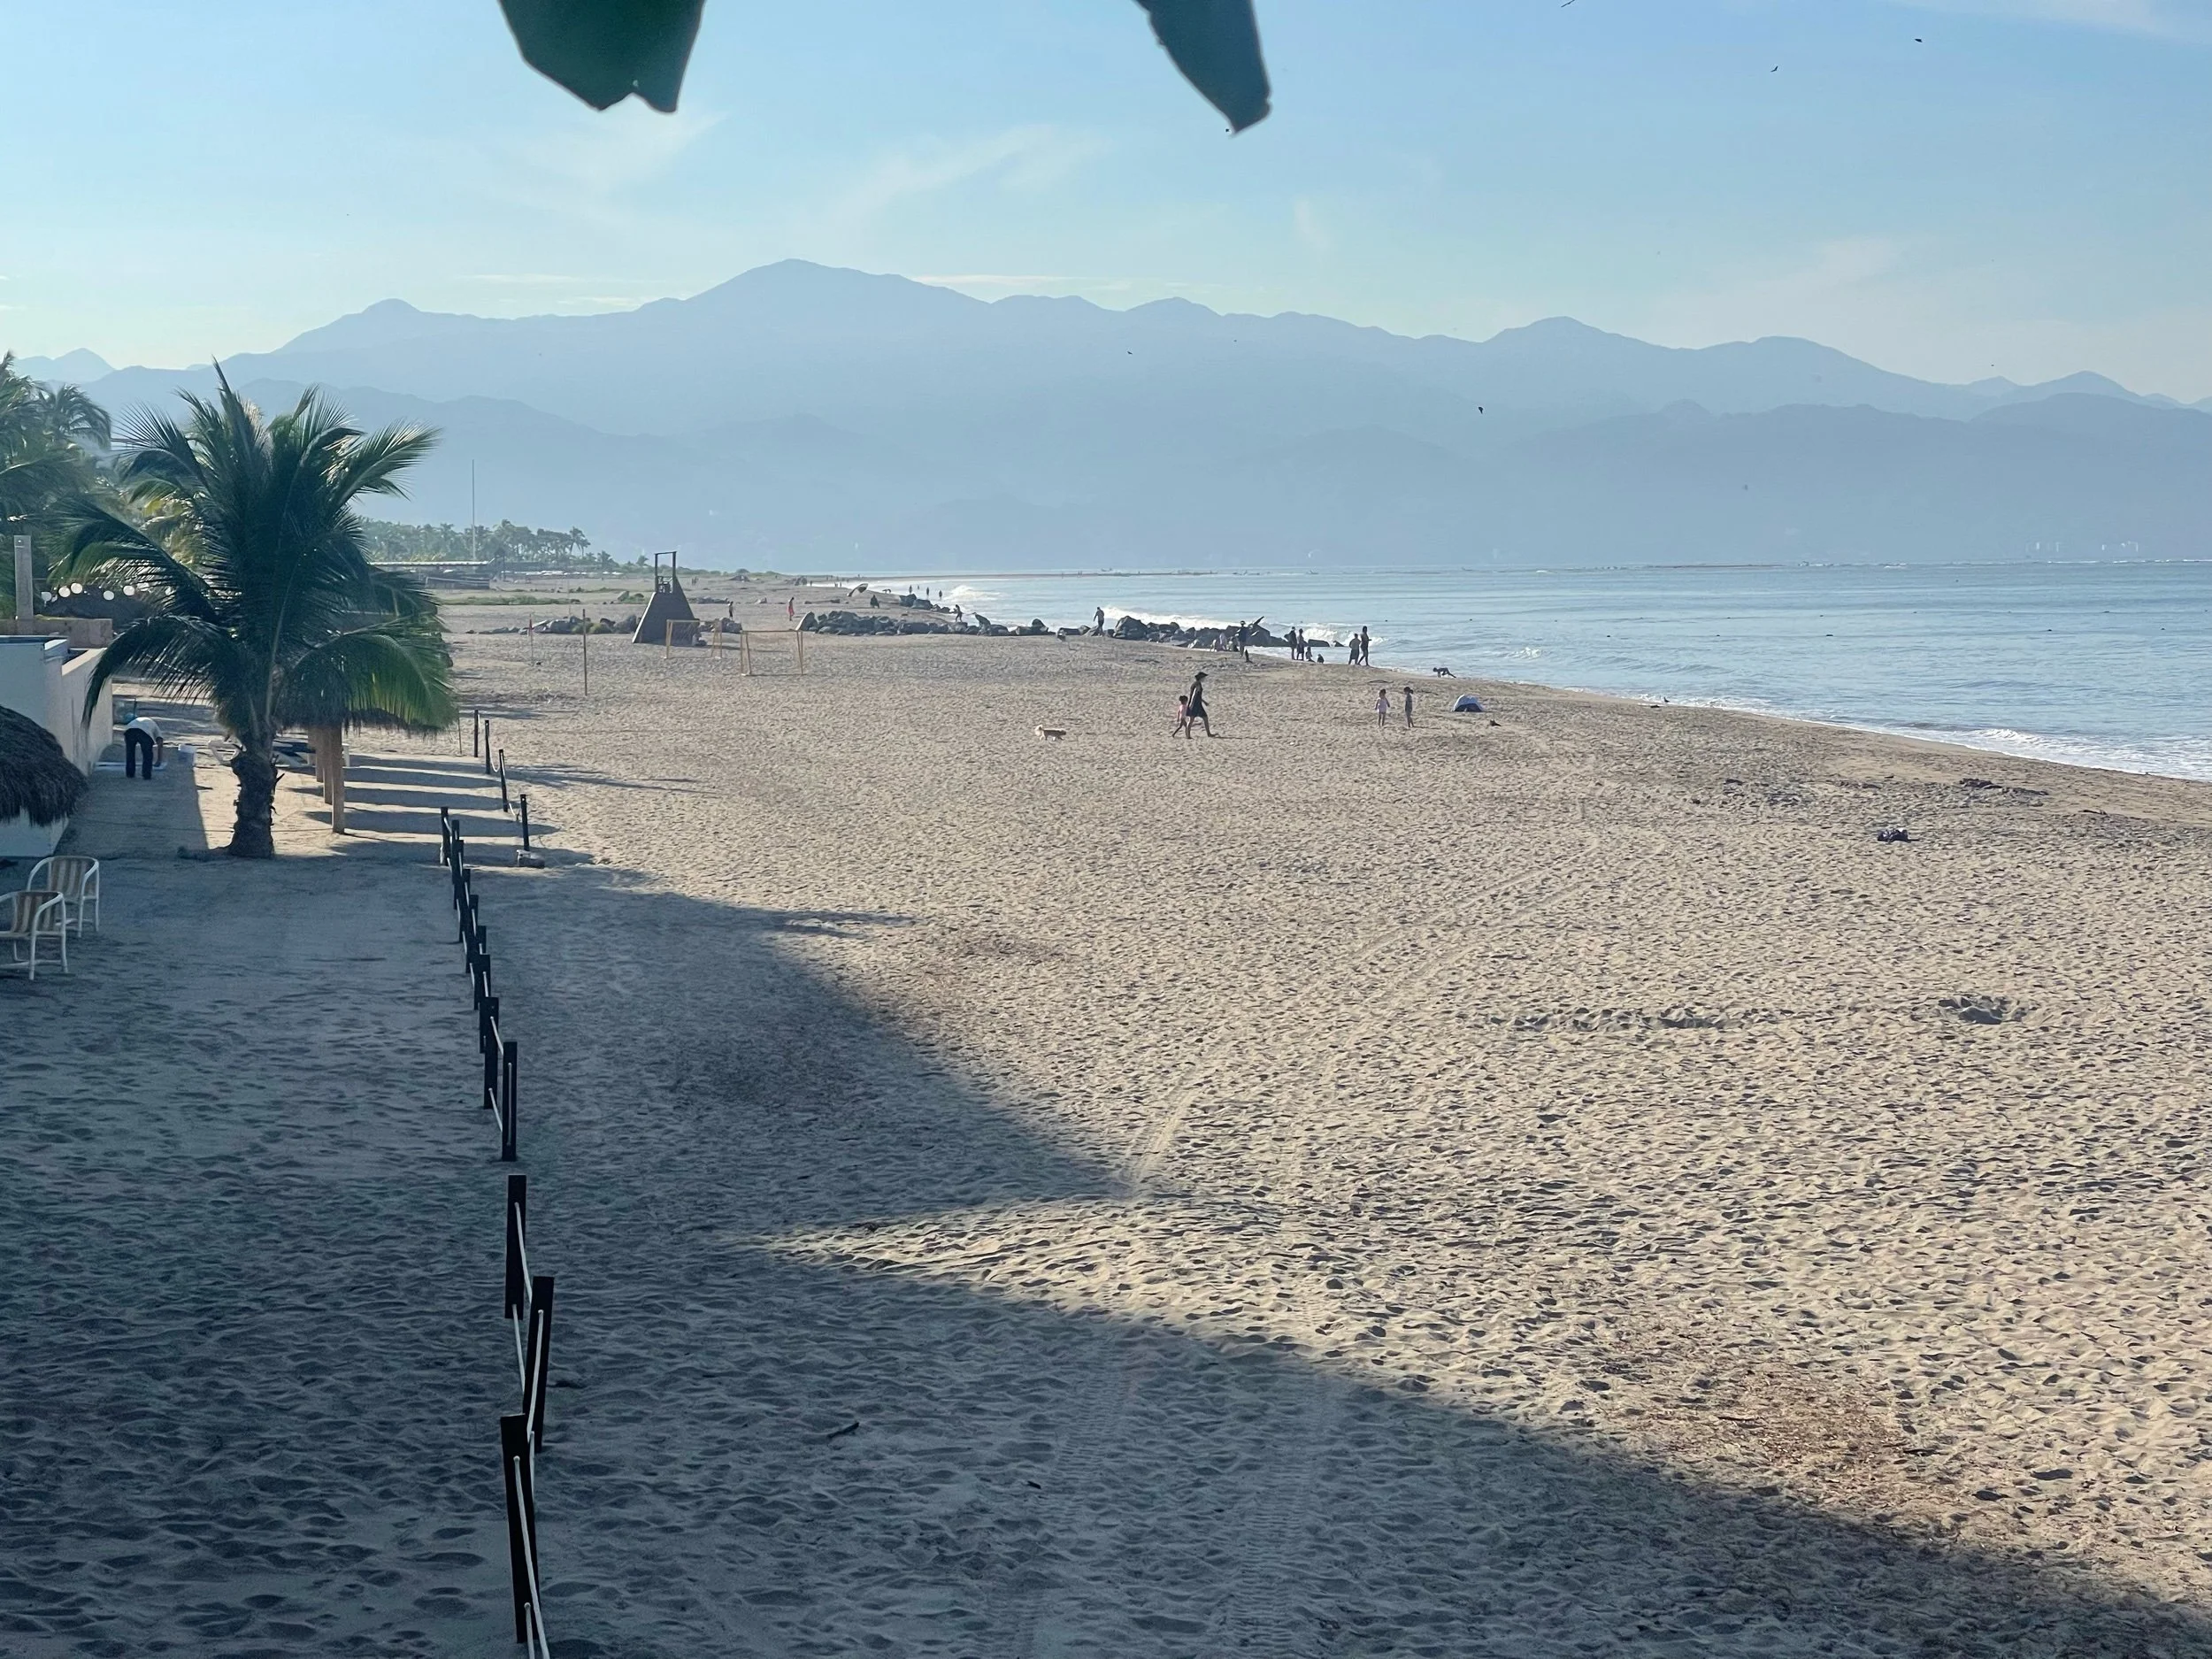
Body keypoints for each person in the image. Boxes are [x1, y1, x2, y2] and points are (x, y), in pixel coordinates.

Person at [124, 712, 164, 778]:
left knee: (130, 753)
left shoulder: (136, 721)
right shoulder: (155, 727)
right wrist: (159, 760)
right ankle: (146, 774)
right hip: (144, 732)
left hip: (129, 730)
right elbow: (160, 744)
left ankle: (130, 773)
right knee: (147, 754)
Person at [1187, 671, 1213, 737]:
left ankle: (1208, 734)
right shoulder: (1197, 685)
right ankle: (1188, 735)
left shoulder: (1196, 684)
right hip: (1195, 704)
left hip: (1198, 704)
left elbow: (1198, 696)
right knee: (1191, 720)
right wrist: (1191, 704)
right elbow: (1194, 695)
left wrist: (1204, 702)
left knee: (1205, 717)